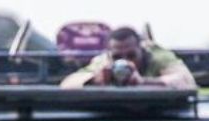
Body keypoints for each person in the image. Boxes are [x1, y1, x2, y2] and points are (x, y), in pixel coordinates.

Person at [61, 27, 195, 89]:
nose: (125, 61)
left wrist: (144, 82)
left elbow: (186, 82)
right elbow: (67, 85)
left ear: (141, 50)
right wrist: (94, 80)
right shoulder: (105, 61)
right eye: (117, 57)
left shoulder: (157, 56)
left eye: (131, 55)